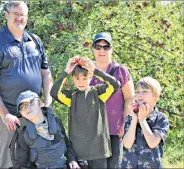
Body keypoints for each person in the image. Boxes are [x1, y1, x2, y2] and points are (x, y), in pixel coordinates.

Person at [0, 1, 53, 168]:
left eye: (23, 15)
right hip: (10, 117)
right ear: (6, 15)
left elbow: (46, 73)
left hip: (35, 114)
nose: (19, 18)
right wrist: (5, 114)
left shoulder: (35, 40)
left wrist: (47, 104)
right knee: (10, 161)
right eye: (15, 14)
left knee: (36, 159)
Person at [50, 56, 120, 168]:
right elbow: (54, 92)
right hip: (79, 153)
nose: (81, 82)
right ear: (72, 79)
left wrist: (95, 70)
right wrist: (66, 72)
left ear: (91, 76)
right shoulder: (71, 97)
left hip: (99, 151)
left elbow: (115, 84)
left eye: (85, 77)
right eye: (77, 78)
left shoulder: (99, 93)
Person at [89, 32, 135, 168]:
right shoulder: (86, 70)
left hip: (115, 129)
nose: (101, 50)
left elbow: (130, 98)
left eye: (106, 47)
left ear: (111, 49)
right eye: (98, 46)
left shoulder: (120, 71)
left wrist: (125, 124)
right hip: (93, 131)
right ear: (93, 49)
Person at [14, 90, 80, 168]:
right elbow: (22, 164)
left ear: (40, 103)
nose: (26, 108)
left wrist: (72, 160)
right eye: (21, 107)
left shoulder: (56, 123)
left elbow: (67, 144)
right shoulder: (23, 134)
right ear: (22, 114)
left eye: (30, 103)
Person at [121, 77, 169, 168]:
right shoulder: (130, 118)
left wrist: (142, 120)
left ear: (156, 97)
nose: (139, 95)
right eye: (137, 92)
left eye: (144, 91)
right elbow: (127, 144)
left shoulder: (161, 119)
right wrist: (135, 120)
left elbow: (152, 143)